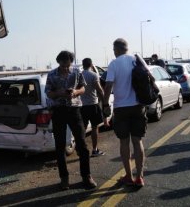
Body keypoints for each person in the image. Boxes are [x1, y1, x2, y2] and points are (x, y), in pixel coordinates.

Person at [45, 50, 97, 190]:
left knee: (82, 145)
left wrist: (75, 92)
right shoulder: (52, 75)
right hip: (58, 111)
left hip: (74, 110)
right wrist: (59, 93)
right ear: (58, 62)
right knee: (60, 146)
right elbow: (48, 93)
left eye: (68, 65)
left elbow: (83, 88)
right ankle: (64, 178)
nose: (66, 68)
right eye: (63, 65)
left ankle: (86, 176)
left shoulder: (76, 71)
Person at [103, 38, 148, 187]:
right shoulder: (136, 60)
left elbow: (108, 85)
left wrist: (105, 104)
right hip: (138, 106)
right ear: (127, 48)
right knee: (137, 141)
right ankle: (140, 177)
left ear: (116, 49)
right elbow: (150, 77)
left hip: (121, 108)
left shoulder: (114, 64)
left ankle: (129, 175)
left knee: (124, 142)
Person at [81, 58, 108, 157]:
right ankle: (94, 150)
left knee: (82, 128)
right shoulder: (93, 75)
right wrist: (105, 101)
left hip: (81, 106)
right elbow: (99, 90)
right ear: (91, 65)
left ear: (83, 65)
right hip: (92, 104)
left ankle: (81, 149)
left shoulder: (79, 75)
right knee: (94, 127)